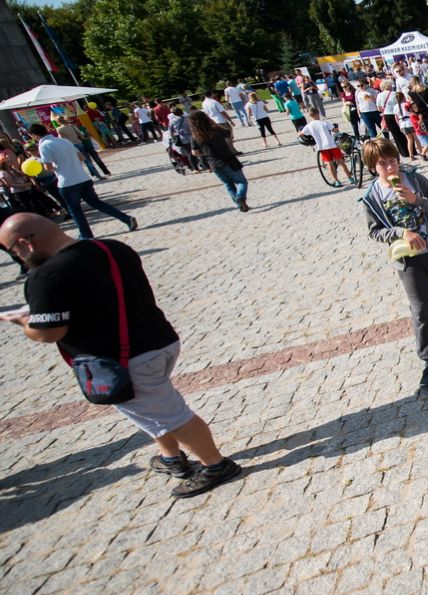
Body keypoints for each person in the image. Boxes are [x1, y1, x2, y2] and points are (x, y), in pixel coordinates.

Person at [0, 213, 242, 498]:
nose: (17, 258)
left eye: (13, 251)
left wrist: (25, 323)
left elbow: (48, 333)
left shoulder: (46, 276)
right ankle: (171, 457)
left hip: (124, 360)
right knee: (147, 408)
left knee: (171, 414)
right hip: (159, 341)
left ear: (26, 244)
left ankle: (216, 464)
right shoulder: (112, 248)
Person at [361, 138, 428, 389]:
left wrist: (417, 200)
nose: (391, 168)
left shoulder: (416, 180)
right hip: (408, 261)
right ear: (372, 167)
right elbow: (375, 231)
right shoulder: (372, 196)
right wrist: (400, 233)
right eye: (383, 164)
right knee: (420, 309)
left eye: (393, 161)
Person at [29, 124, 137, 239]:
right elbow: (81, 157)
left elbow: (48, 167)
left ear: (34, 135)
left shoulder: (44, 145)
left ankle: (86, 235)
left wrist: (58, 167)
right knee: (97, 203)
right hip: (82, 178)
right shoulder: (63, 141)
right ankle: (126, 219)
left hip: (67, 182)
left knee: (75, 210)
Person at [187, 110, 251, 212]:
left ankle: (240, 205)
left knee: (228, 185)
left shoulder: (195, 137)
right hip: (228, 160)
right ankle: (240, 197)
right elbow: (228, 133)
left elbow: (194, 153)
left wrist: (206, 154)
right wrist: (214, 123)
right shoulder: (216, 130)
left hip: (214, 163)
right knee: (241, 182)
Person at [304, 107, 352, 187]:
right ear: (318, 114)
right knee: (341, 163)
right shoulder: (324, 122)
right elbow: (336, 131)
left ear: (310, 116)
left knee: (330, 164)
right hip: (331, 145)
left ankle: (337, 181)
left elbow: (301, 134)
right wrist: (336, 127)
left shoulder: (309, 126)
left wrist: (300, 132)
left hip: (322, 147)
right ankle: (350, 178)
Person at [377, 81, 408, 157]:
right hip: (397, 114)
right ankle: (411, 150)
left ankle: (403, 152)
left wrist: (385, 109)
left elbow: (379, 108)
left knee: (395, 135)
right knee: (403, 133)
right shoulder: (395, 93)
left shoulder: (380, 95)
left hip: (387, 115)